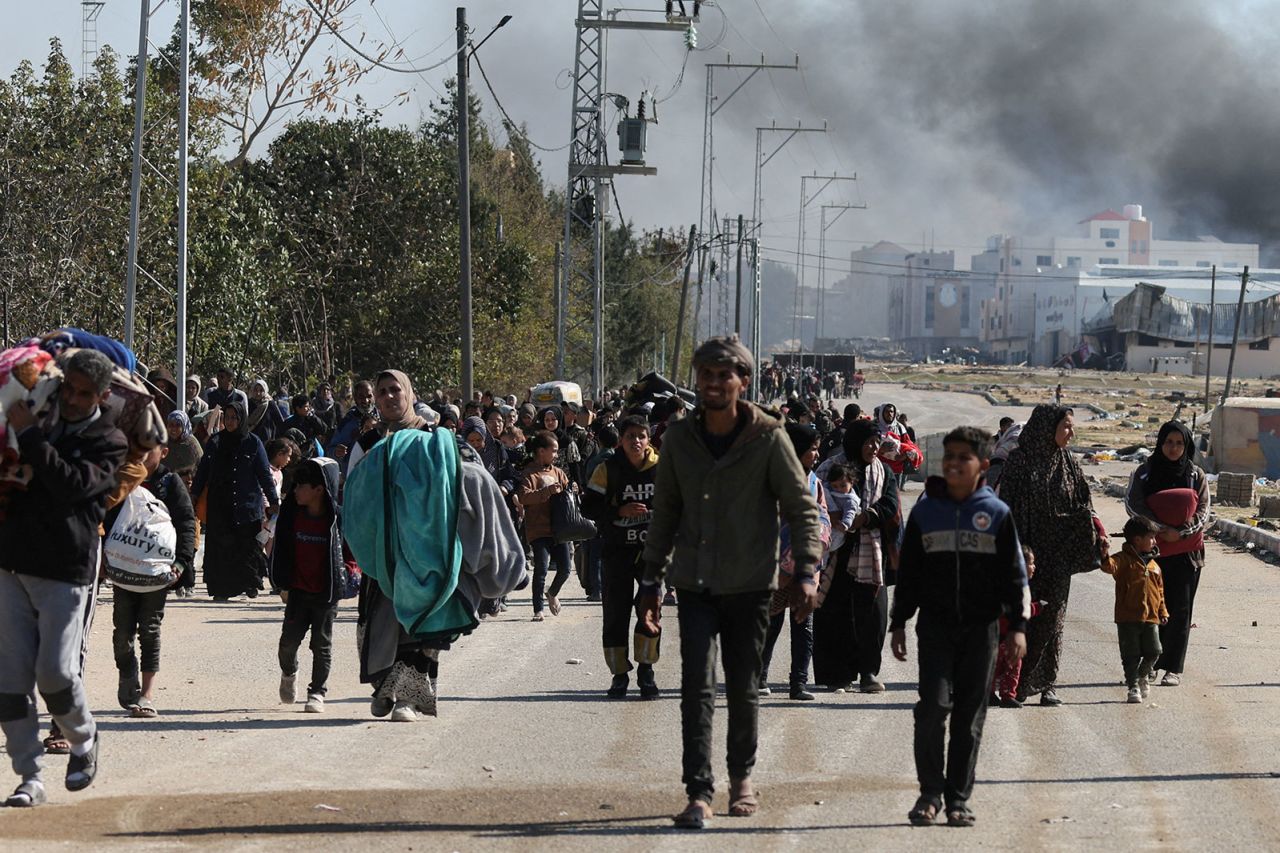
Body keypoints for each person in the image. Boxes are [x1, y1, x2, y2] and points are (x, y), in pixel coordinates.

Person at [638, 335, 822, 829]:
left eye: (725, 375)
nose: (715, 384)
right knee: (696, 687)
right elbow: (665, 515)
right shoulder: (678, 438)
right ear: (697, 380)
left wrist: (806, 570)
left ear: (742, 381)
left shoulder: (767, 436)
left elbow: (803, 508)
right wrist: (651, 583)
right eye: (706, 375)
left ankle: (741, 776)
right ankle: (699, 791)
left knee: (743, 686)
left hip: (750, 584)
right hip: (695, 584)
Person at [344, 369, 526, 722]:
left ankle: (409, 700)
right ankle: (386, 687)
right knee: (381, 628)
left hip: (430, 549)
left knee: (427, 625)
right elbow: (354, 495)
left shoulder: (436, 439)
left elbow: (466, 476)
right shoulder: (367, 445)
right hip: (384, 555)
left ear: (410, 394)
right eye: (381, 391)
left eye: (395, 389)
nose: (388, 396)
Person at [0, 349, 127, 807]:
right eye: (68, 388)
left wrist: (31, 436)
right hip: (10, 563)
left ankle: (85, 739)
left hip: (64, 570)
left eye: (84, 394)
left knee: (55, 674)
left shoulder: (108, 441)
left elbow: (70, 486)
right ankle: (29, 778)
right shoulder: (35, 419)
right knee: (10, 683)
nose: (72, 399)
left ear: (103, 395)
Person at [890, 426, 1029, 828]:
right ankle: (929, 794)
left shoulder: (997, 515)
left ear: (982, 465)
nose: (953, 463)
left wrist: (1018, 626)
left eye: (962, 458)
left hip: (981, 630)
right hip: (934, 627)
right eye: (948, 456)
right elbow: (910, 571)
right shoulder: (925, 511)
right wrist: (899, 621)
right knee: (933, 708)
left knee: (969, 716)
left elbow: (1015, 577)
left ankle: (958, 799)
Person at [997, 404, 1103, 706]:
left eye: (1072, 426)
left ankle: (1045, 684)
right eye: (1066, 426)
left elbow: (1085, 502)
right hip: (1026, 556)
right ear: (1047, 427)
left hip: (1059, 556)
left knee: (1053, 620)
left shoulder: (1068, 462)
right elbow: (1005, 509)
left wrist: (1099, 533)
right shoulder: (1019, 461)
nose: (1071, 433)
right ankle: (1010, 683)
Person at [812, 418, 901, 694]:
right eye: (868, 442)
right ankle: (837, 674)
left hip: (871, 554)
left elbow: (890, 504)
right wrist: (836, 519)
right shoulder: (829, 468)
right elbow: (815, 499)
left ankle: (868, 672)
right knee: (834, 614)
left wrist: (867, 517)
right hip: (837, 553)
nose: (874, 447)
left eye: (877, 441)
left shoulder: (883, 472)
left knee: (873, 616)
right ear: (854, 442)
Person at [111, 440, 196, 718]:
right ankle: (127, 671)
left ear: (165, 453)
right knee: (122, 633)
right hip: (124, 572)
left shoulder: (170, 484)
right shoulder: (124, 478)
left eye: (151, 450)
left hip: (156, 574)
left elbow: (185, 522)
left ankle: (146, 694)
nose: (143, 455)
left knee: (149, 629)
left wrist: (182, 563)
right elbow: (109, 517)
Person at [1122, 420, 1209, 687]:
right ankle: (1149, 664)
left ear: (1187, 445)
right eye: (1169, 442)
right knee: (1150, 610)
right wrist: (1159, 529)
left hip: (1186, 554)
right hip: (1152, 553)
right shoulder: (1145, 473)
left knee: (1180, 611)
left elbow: (1204, 510)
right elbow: (1132, 504)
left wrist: (1181, 532)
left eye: (1179, 443)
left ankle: (1173, 667)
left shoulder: (1195, 475)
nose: (1173, 448)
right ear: (1160, 443)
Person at [584, 416, 660, 698]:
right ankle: (619, 675)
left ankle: (646, 670)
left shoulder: (662, 468)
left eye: (641, 435)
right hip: (616, 552)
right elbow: (589, 507)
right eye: (630, 436)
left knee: (649, 611)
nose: (636, 441)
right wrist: (618, 512)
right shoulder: (608, 469)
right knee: (615, 615)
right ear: (622, 440)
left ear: (648, 439)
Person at [760, 422, 831, 701]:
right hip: (775, 566)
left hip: (806, 567)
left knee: (804, 627)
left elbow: (823, 515)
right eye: (812, 449)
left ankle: (798, 684)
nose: (816, 454)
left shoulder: (815, 482)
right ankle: (759, 677)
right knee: (770, 623)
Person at [270, 458, 347, 714]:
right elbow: (280, 551)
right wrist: (281, 583)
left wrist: (351, 571)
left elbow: (350, 551)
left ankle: (317, 692)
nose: (295, 490)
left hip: (326, 593)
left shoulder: (337, 520)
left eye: (301, 485)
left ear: (319, 489)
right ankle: (289, 673)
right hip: (298, 592)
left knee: (321, 645)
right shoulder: (291, 516)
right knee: (287, 644)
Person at [190, 398, 280, 601]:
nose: (230, 422)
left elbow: (265, 475)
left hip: (245, 504)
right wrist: (194, 494)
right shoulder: (215, 442)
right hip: (219, 505)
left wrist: (273, 501)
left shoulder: (253, 443)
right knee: (221, 548)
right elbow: (203, 471)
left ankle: (249, 584)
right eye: (227, 418)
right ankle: (221, 589)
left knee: (246, 547)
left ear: (242, 419)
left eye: (234, 418)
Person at [1100, 516, 1169, 704]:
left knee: (1155, 651)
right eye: (1151, 538)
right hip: (1127, 617)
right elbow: (1108, 567)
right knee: (1130, 656)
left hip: (1151, 618)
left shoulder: (1154, 565)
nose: (1155, 541)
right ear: (1137, 540)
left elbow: (1160, 592)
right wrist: (1104, 552)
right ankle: (1133, 687)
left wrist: (1163, 611)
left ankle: (1141, 675)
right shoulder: (1123, 559)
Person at [518, 431, 573, 622]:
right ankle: (538, 609)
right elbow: (524, 497)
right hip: (538, 528)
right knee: (541, 568)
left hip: (560, 529)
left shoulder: (558, 472)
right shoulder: (529, 474)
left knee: (565, 568)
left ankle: (552, 592)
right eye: (554, 451)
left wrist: (571, 490)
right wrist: (546, 492)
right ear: (541, 451)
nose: (556, 455)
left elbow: (569, 494)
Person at [990, 546, 1041, 708]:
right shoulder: (1017, 587)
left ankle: (989, 694)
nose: (1034, 567)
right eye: (1031, 563)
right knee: (1013, 665)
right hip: (1006, 635)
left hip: (997, 635)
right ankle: (1007, 696)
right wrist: (1037, 607)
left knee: (994, 666)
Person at [823, 464, 862, 553]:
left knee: (826, 548)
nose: (839, 489)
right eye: (835, 486)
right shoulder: (828, 489)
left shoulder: (851, 499)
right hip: (827, 524)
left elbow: (850, 513)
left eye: (843, 485)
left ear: (851, 483)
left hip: (838, 529)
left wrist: (845, 524)